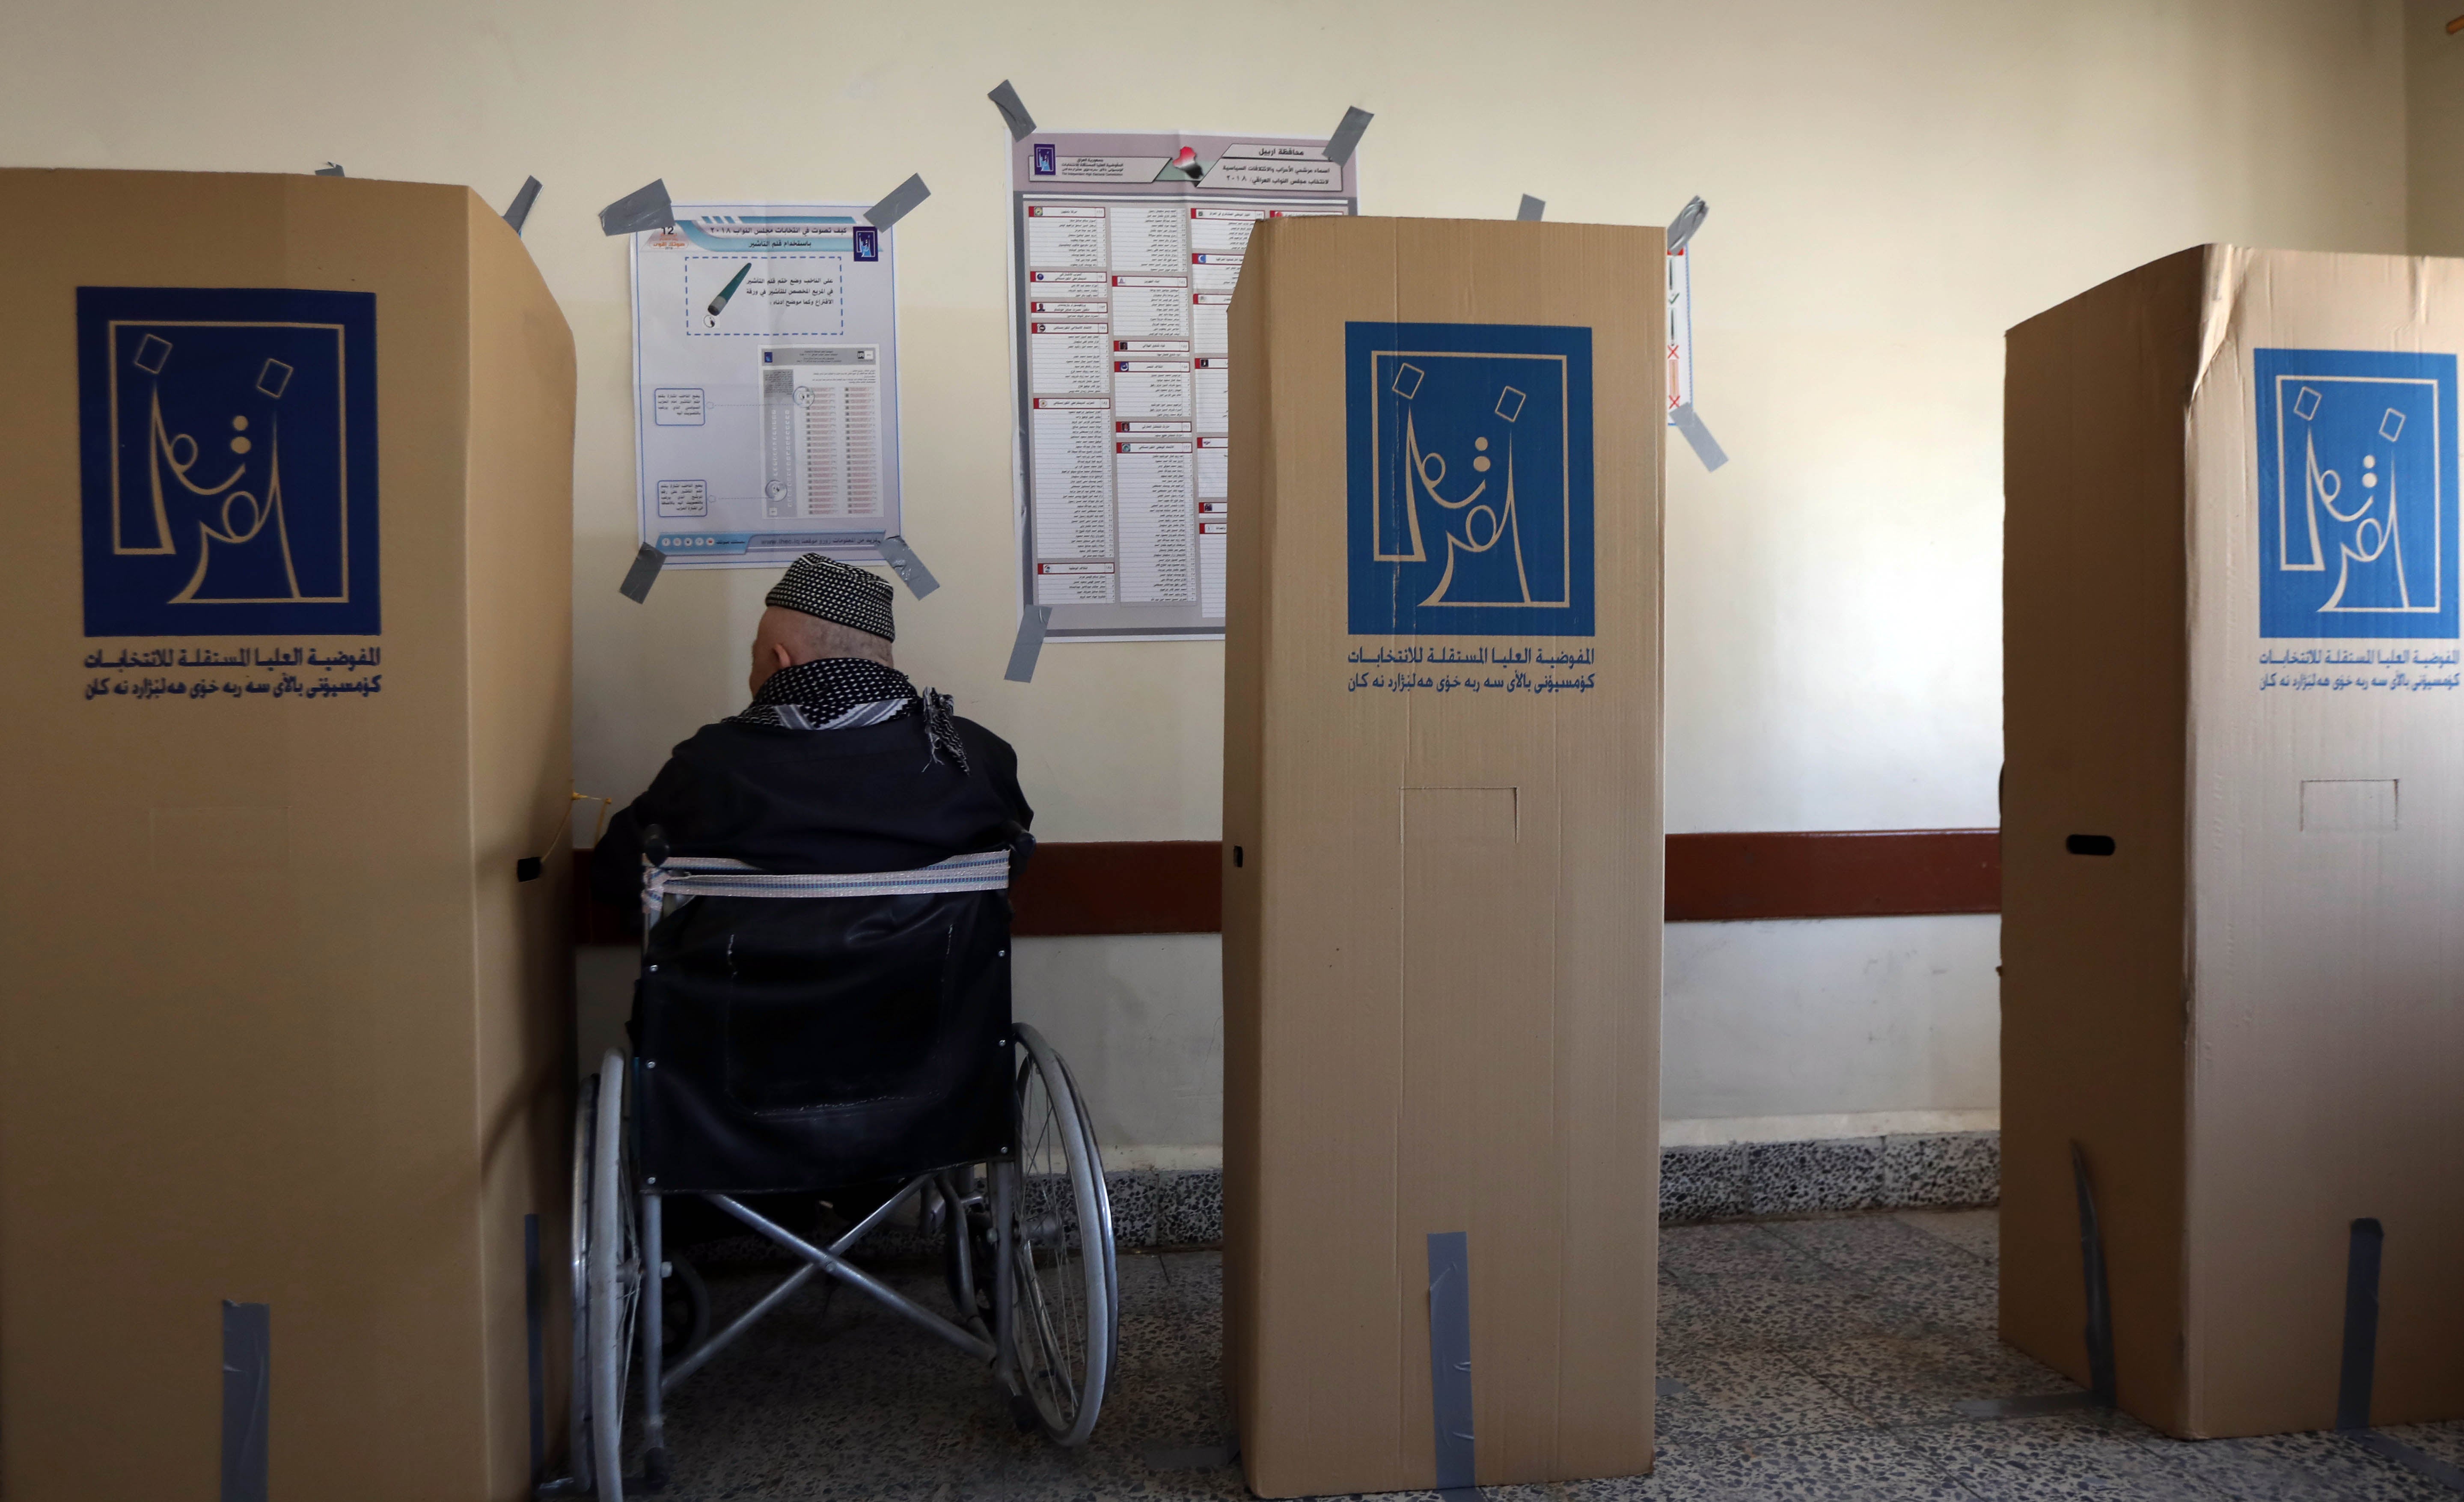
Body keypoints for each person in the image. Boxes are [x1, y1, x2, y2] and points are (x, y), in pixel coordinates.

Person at [591, 553, 1032, 908]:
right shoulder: (976, 754)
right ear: (882, 662)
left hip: (742, 1015)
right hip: (942, 1012)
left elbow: (614, 879)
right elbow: (1008, 869)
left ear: (780, 661)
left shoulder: (710, 765)